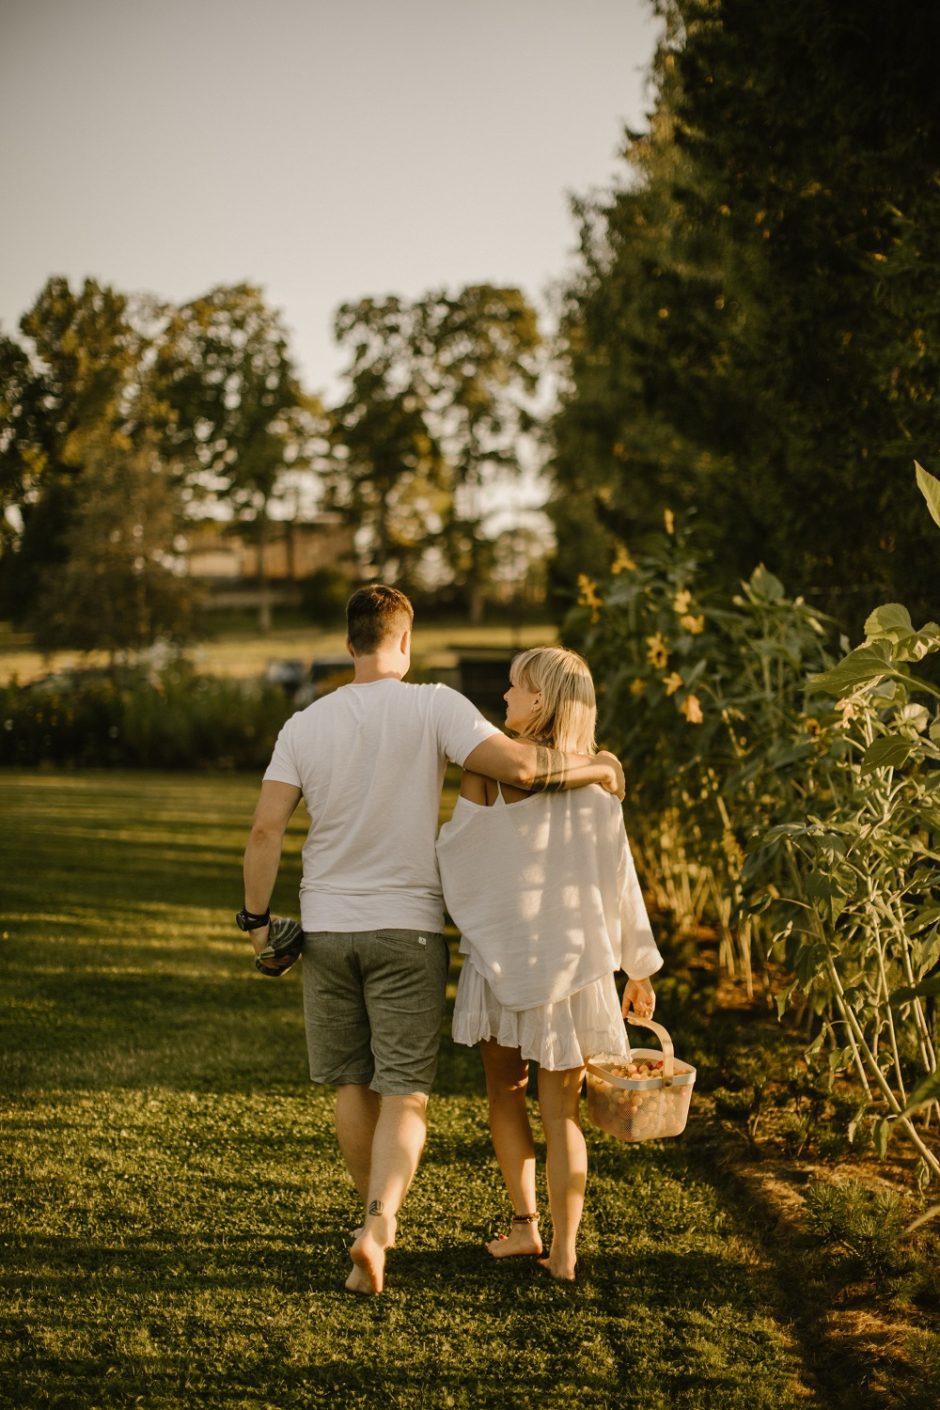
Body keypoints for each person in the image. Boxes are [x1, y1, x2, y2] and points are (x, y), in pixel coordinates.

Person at [238, 586, 627, 1296]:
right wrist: (600, 766)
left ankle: (369, 1221)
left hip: (326, 930)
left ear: (351, 641)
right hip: (409, 931)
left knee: (351, 1083)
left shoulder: (304, 724)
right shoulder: (434, 705)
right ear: (405, 642)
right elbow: (521, 769)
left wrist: (259, 924)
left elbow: (265, 831)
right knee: (406, 1093)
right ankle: (381, 1224)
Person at [435, 646, 663, 1281]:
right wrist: (636, 967)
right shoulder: (602, 785)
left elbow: (459, 857)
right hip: (576, 966)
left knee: (504, 1094)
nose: (504, 698)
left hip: (503, 959)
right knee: (561, 1112)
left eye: (514, 687)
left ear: (540, 701)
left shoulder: (487, 773)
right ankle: (564, 1250)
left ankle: (525, 1228)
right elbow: (621, 881)